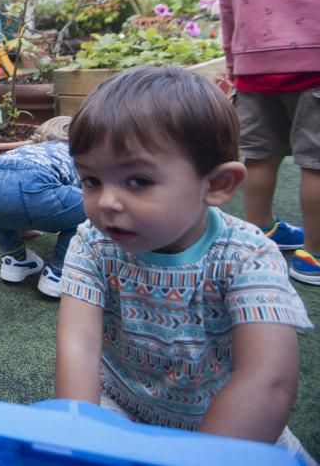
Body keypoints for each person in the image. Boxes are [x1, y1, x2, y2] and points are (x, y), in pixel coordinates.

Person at [56, 66, 314, 463]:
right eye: (91, 180)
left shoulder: (247, 256)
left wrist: (197, 458)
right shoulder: (93, 243)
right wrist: (81, 439)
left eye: (137, 180)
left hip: (231, 429)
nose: (106, 201)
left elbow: (267, 381)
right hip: (121, 411)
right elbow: (80, 346)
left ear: (217, 185)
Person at [219, 0, 319, 284]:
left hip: (255, 62)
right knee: (316, 163)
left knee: (259, 157)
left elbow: (227, 1)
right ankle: (314, 255)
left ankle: (259, 236)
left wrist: (235, 64)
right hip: (314, 57)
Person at [0, 116, 84, 298]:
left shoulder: (31, 149)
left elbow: (11, 188)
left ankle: (16, 259)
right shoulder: (78, 154)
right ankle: (58, 274)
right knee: (91, 208)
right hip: (35, 181)